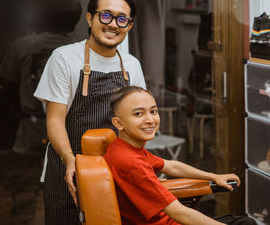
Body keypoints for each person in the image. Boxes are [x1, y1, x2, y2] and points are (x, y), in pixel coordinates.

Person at [34, 0, 146, 224]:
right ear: (90, 18)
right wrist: (69, 159)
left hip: (115, 167)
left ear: (129, 25)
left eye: (121, 19)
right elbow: (54, 118)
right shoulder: (64, 58)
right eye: (105, 15)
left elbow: (137, 120)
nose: (113, 24)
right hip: (68, 164)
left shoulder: (132, 65)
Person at [104, 86, 256, 225]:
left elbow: (171, 166)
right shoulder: (131, 162)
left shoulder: (122, 148)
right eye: (138, 114)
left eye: (153, 111)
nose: (150, 120)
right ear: (118, 123)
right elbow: (180, 213)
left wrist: (213, 176)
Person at [0, 0, 82, 155]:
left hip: (32, 127)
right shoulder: (84, 48)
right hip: (72, 129)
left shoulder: (23, 46)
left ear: (43, 18)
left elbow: (7, 86)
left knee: (27, 178)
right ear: (76, 19)